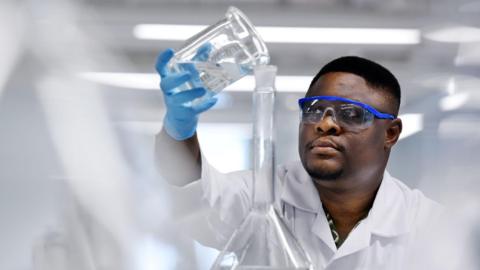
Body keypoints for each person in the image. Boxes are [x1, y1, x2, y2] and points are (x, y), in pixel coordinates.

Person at [154, 49, 443, 269]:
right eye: (314, 110)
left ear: (390, 133)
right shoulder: (261, 198)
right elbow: (194, 193)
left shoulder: (427, 225)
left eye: (351, 114)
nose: (325, 124)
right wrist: (179, 132)